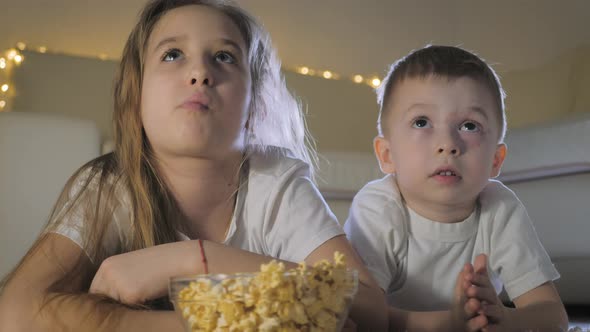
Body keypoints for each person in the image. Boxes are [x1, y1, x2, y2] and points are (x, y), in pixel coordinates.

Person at [0, 1, 387, 330]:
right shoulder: (108, 186)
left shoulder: (277, 182)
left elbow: (370, 307)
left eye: (224, 56)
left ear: (253, 104)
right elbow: (16, 313)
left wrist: (197, 259)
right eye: (172, 54)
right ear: (136, 96)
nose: (200, 73)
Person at [344, 45, 568, 331]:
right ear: (387, 155)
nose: (447, 144)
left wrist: (505, 318)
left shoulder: (499, 208)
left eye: (469, 126)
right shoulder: (378, 208)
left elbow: (554, 317)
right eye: (421, 122)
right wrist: (448, 323)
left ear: (495, 161)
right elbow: (360, 316)